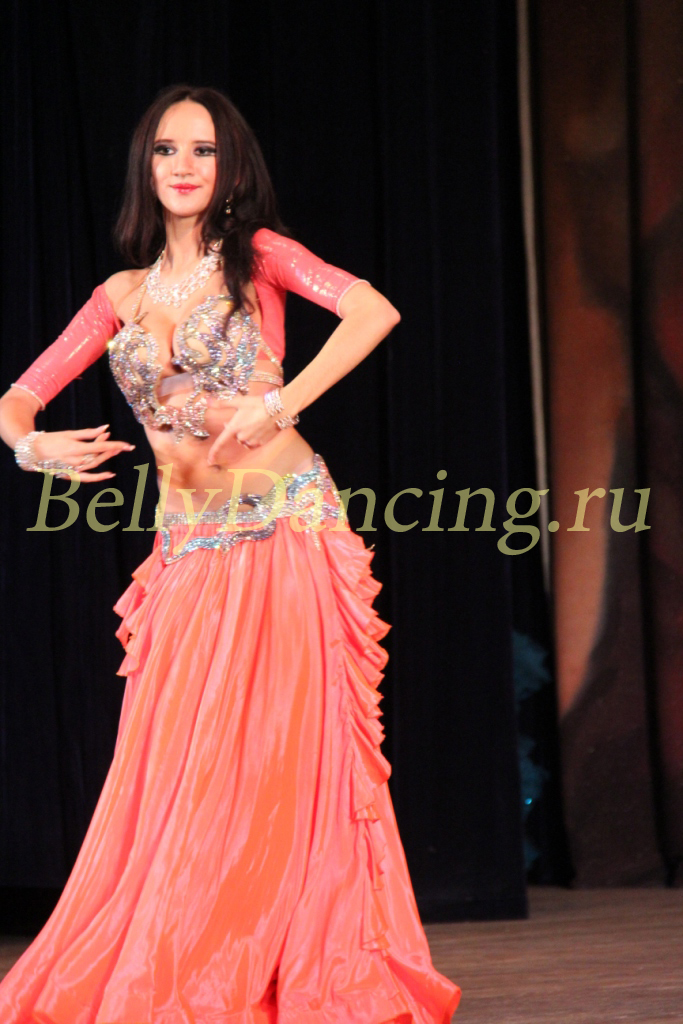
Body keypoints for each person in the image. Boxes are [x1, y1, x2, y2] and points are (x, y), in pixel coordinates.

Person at [0, 84, 461, 1022]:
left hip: (284, 527)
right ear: (144, 166)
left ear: (230, 166)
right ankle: (191, 955)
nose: (183, 165)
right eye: (167, 149)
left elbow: (372, 311)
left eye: (203, 150)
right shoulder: (120, 296)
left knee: (281, 758)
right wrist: (29, 445)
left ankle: (290, 957)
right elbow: (21, 394)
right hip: (187, 547)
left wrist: (280, 403)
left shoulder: (260, 256)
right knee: (181, 766)